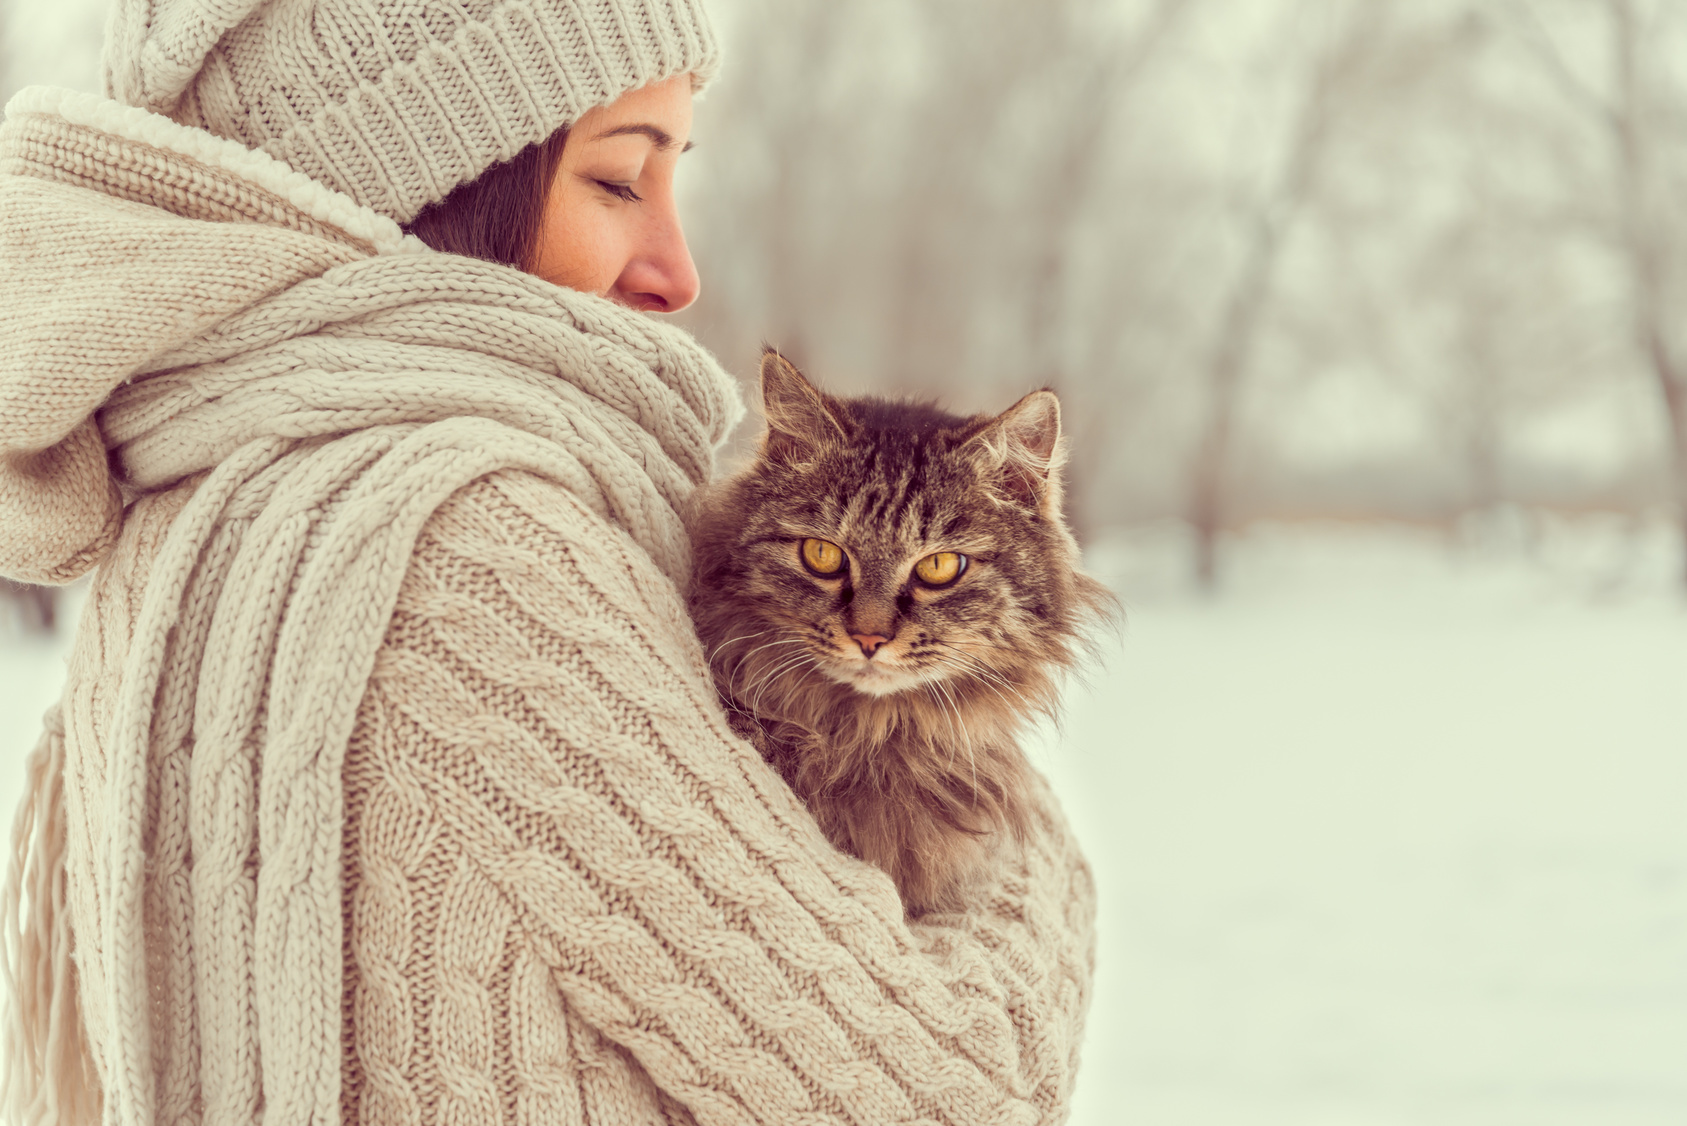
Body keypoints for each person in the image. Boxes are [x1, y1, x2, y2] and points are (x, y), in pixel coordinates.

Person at [0, 1, 1097, 1122]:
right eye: (620, 183)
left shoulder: (205, 492)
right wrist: (1010, 824)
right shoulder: (467, 550)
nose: (679, 272)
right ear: (441, 190)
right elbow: (954, 1089)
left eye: (678, 182)